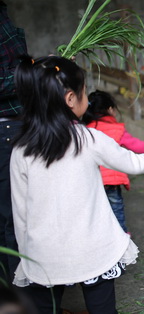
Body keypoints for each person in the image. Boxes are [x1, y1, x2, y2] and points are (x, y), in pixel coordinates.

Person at [10, 55, 144, 313]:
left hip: (44, 256)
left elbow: (20, 212)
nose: (87, 98)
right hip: (93, 250)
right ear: (70, 99)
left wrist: (28, 256)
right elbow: (133, 163)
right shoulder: (88, 138)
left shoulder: (21, 149)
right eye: (84, 91)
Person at [82, 90, 144, 234]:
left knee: (97, 213)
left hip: (93, 182)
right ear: (110, 110)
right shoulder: (116, 129)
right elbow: (136, 145)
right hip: (112, 182)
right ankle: (122, 240)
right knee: (116, 212)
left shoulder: (85, 130)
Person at [0, 0, 27, 285]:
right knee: (15, 218)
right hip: (5, 128)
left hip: (14, 123)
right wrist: (33, 75)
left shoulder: (3, 11)